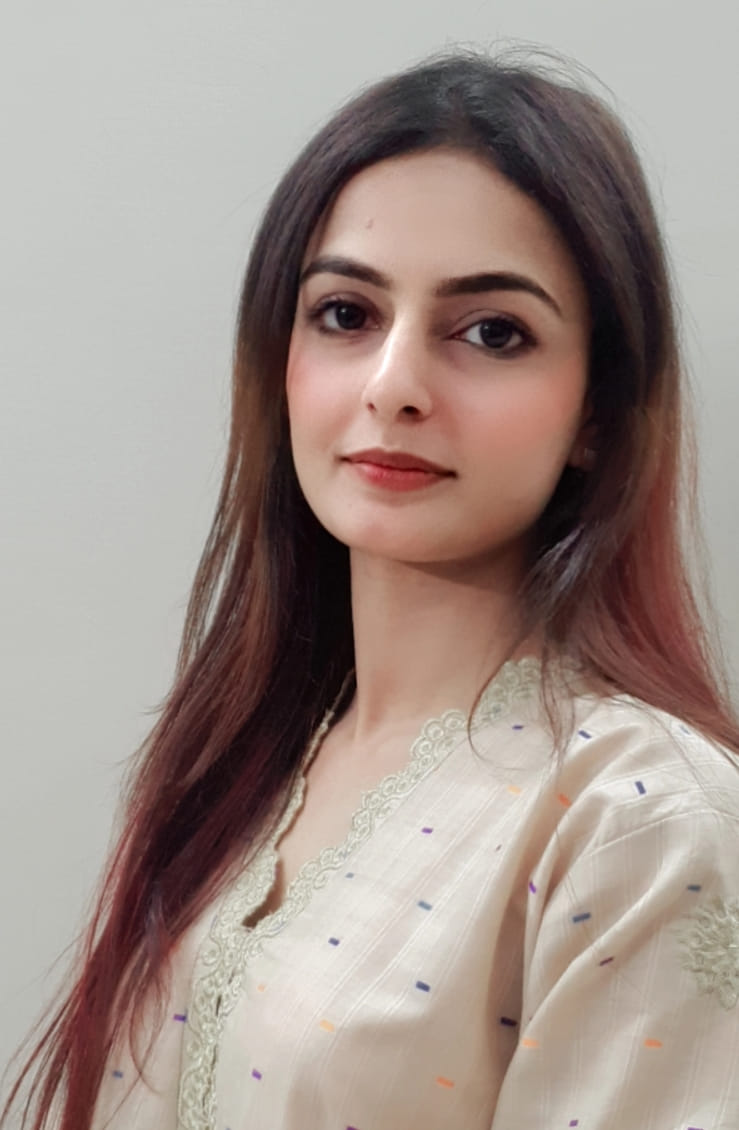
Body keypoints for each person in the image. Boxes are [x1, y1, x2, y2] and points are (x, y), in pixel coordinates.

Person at [4, 46, 739, 1130]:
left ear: (596, 411)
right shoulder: (241, 761)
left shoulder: (644, 818)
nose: (394, 387)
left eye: (491, 332)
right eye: (346, 314)